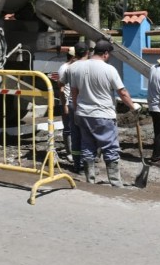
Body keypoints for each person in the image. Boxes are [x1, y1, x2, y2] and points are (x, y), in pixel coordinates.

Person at [70, 39, 140, 187]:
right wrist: (133, 107)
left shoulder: (77, 68)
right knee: (110, 147)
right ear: (106, 54)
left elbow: (74, 92)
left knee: (87, 146)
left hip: (83, 113)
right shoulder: (109, 69)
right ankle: (115, 182)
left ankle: (90, 180)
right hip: (103, 115)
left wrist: (76, 110)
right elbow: (122, 92)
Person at [58, 41, 89, 172]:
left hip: (73, 103)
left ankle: (79, 162)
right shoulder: (66, 68)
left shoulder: (72, 68)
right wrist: (64, 104)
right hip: (72, 103)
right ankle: (76, 158)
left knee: (76, 133)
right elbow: (61, 88)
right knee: (71, 131)